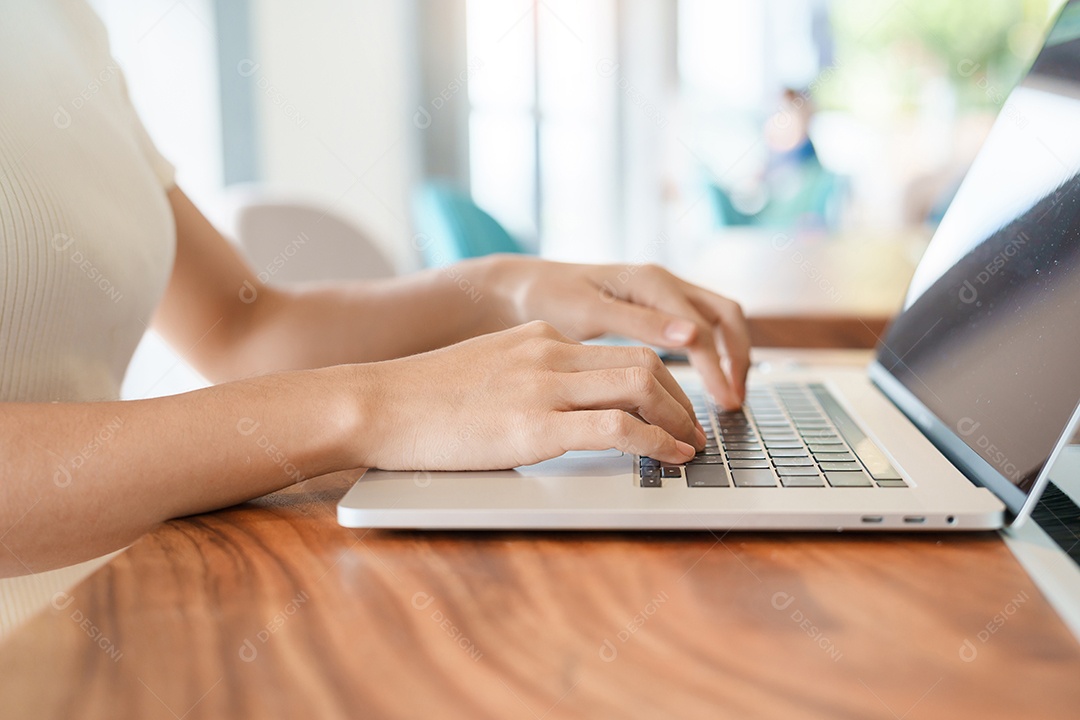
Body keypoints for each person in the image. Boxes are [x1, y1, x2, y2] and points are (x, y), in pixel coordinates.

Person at [0, 1, 749, 578]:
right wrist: (376, 406)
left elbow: (239, 329)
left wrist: (509, 287)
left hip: (126, 586)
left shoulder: (62, 23)